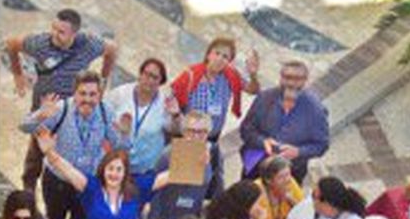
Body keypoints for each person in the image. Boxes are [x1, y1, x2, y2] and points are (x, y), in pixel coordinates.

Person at [4, 8, 117, 193]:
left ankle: (65, 189)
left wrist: (103, 80)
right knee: (34, 157)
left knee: (68, 154)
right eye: (53, 28)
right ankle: (29, 193)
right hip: (46, 110)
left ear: (75, 33)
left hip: (73, 112)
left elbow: (111, 49)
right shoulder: (41, 44)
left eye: (61, 32)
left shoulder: (88, 45)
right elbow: (12, 43)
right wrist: (18, 74)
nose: (54, 34)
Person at [21, 70, 131, 219]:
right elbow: (24, 127)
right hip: (58, 181)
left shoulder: (106, 112)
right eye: (83, 93)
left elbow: (121, 148)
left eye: (92, 94)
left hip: (86, 183)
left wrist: (125, 134)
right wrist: (40, 115)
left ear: (99, 95)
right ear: (75, 93)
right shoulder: (60, 109)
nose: (87, 99)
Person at [170, 37, 260, 198]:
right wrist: (178, 117)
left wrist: (253, 75)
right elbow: (173, 97)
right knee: (183, 183)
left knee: (209, 181)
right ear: (208, 54)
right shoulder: (191, 75)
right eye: (217, 53)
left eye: (226, 56)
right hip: (189, 138)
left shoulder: (230, 76)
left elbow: (253, 90)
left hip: (212, 138)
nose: (220, 58)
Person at [237, 58, 329, 183]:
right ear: (280, 78)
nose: (291, 83)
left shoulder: (315, 109)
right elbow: (246, 129)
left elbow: (321, 145)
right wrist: (262, 142)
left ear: (305, 81)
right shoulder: (264, 98)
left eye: (297, 79)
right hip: (257, 165)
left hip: (290, 173)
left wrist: (298, 152)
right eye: (287, 77)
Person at [103, 57, 178, 198]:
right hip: (115, 165)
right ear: (140, 74)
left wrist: (176, 115)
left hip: (144, 170)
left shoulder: (165, 103)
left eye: (154, 77)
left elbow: (174, 130)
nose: (149, 80)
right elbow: (101, 115)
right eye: (146, 74)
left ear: (160, 82)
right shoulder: (120, 94)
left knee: (136, 206)